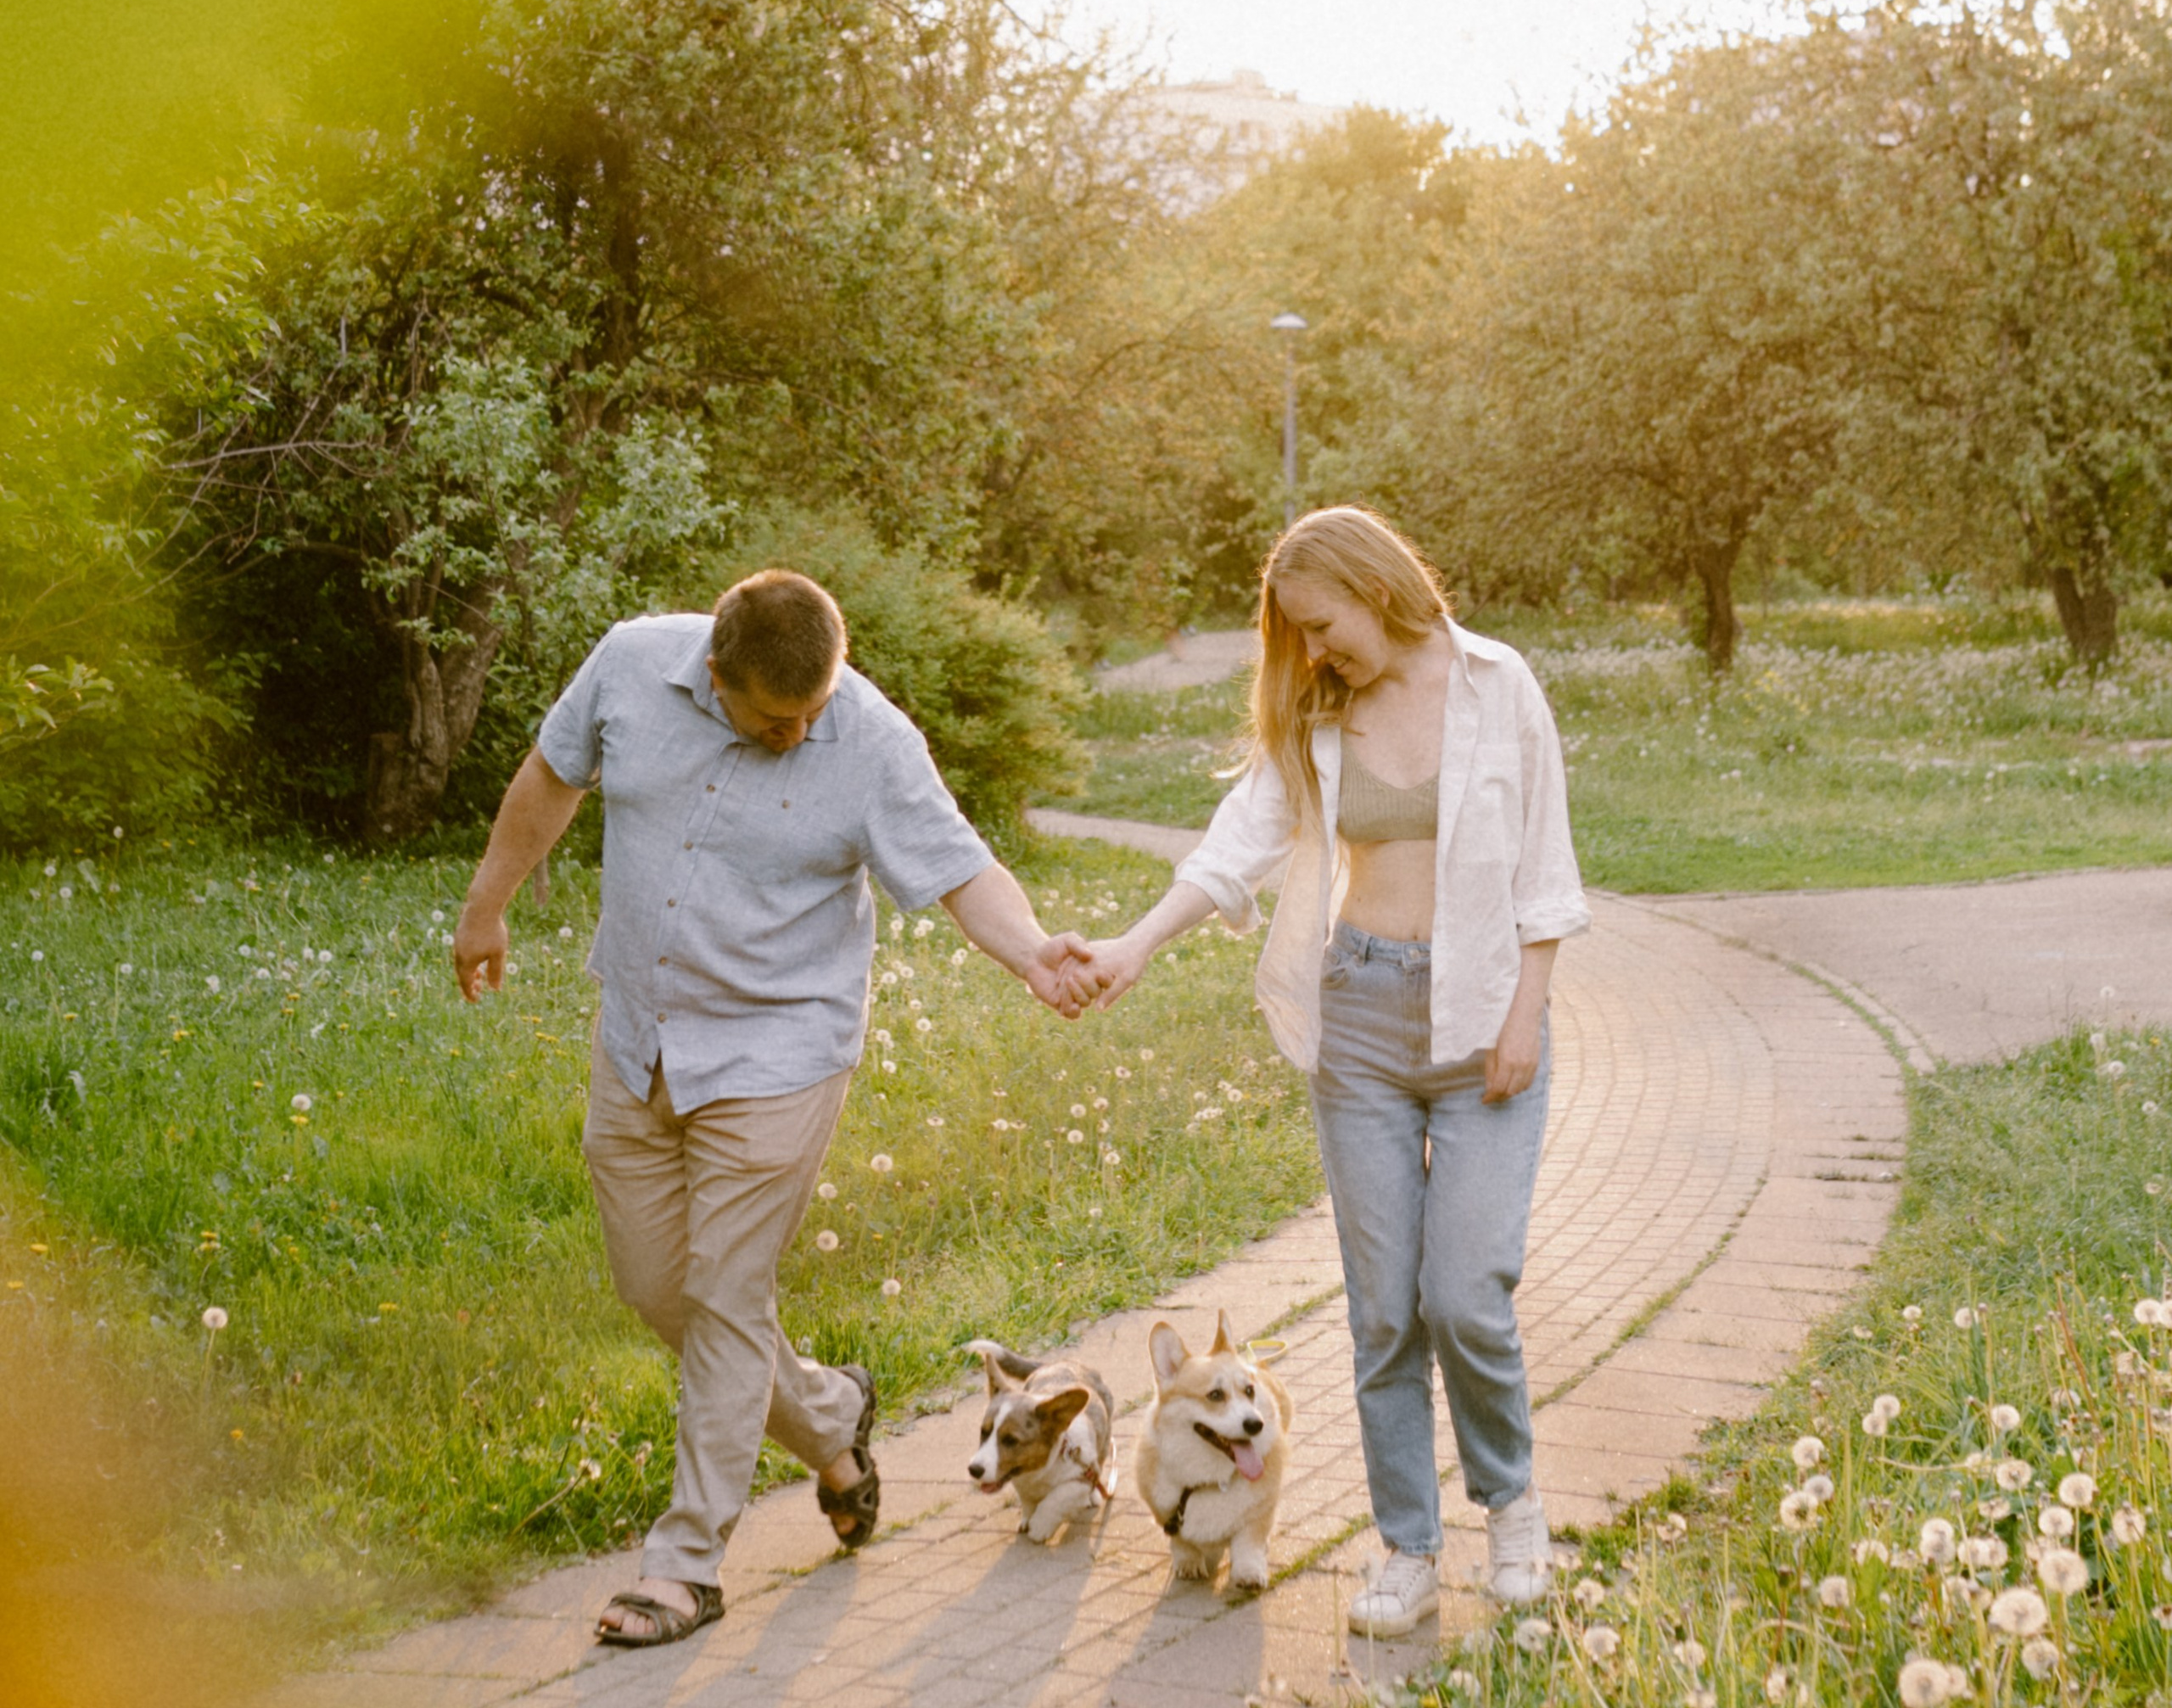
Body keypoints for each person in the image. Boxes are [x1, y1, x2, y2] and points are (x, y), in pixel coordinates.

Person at [454, 569, 1092, 1648]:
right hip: (640, 1037)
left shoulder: (869, 738)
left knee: (725, 1287)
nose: (799, 733)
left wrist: (1032, 953)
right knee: (660, 1287)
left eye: (813, 712)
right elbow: (549, 780)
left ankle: (687, 1563)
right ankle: (832, 1418)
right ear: (714, 675)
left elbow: (957, 867)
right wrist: (486, 907)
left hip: (780, 1051)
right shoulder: (627, 665)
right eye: (772, 717)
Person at [1067, 506, 1587, 1636]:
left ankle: (1512, 1510)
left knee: (1465, 1299)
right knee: (1381, 1316)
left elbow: (1548, 872)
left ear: (1373, 586)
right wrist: (1132, 947)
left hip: (1487, 1021)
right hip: (1360, 1020)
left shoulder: (1501, 687)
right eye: (1295, 636)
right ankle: (1406, 1547)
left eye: (1320, 625)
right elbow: (1233, 845)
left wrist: (1525, 1019)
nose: (1311, 652)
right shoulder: (1319, 713)